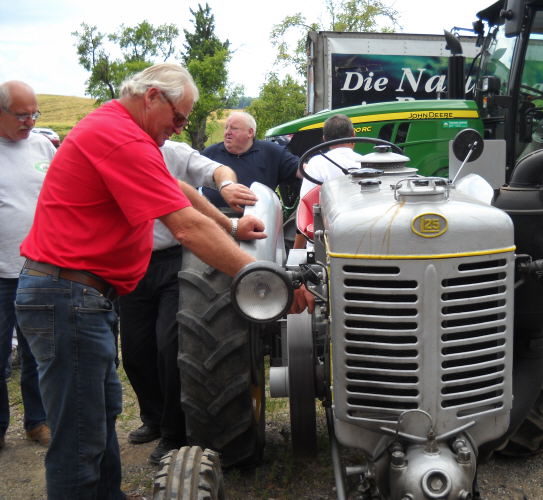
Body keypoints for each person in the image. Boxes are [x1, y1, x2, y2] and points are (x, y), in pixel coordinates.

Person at [14, 63, 313, 499]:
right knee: (79, 434)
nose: (179, 128)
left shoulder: (128, 134)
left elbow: (181, 192)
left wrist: (230, 227)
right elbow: (186, 227)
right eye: (178, 118)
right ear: (153, 96)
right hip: (67, 294)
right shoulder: (116, 135)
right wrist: (266, 283)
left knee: (99, 416)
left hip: (82, 296)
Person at [120, 140, 253, 465]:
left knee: (171, 346)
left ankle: (174, 433)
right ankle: (152, 417)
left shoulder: (173, 151)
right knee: (136, 351)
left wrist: (227, 184)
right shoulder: (121, 150)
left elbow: (215, 170)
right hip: (132, 262)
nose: (177, 124)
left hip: (172, 261)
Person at [0, 80, 52, 451]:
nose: (30, 122)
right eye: (21, 115)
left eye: (34, 113)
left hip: (38, 268)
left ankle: (37, 421)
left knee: (37, 352)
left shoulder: (42, 146)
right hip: (0, 273)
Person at [201, 111, 301, 212]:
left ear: (250, 132)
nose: (227, 132)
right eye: (226, 128)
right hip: (213, 220)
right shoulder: (210, 153)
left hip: (258, 220)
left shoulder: (271, 152)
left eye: (234, 128)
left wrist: (315, 168)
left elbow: (302, 170)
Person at [294, 113, 362, 249]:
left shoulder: (316, 163)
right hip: (361, 238)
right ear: (353, 135)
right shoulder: (366, 163)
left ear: (324, 139)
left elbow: (307, 208)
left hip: (322, 244)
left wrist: (296, 251)